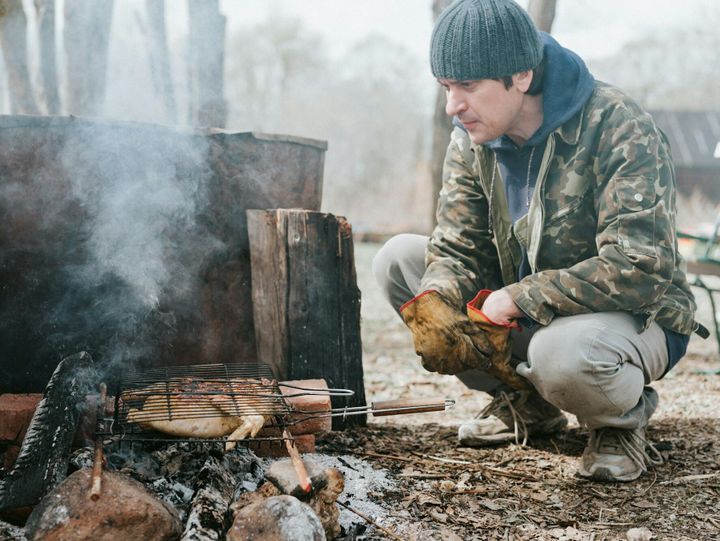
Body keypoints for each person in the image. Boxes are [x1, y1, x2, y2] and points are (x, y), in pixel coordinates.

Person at [372, 0, 706, 483]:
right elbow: (457, 244)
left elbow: (639, 266)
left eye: (468, 85)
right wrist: (438, 301)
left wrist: (519, 296)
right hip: (533, 316)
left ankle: (618, 422)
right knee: (399, 261)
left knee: (562, 355)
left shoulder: (619, 126)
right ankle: (524, 403)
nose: (453, 105)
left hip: (639, 316)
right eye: (446, 87)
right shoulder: (470, 140)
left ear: (521, 76)